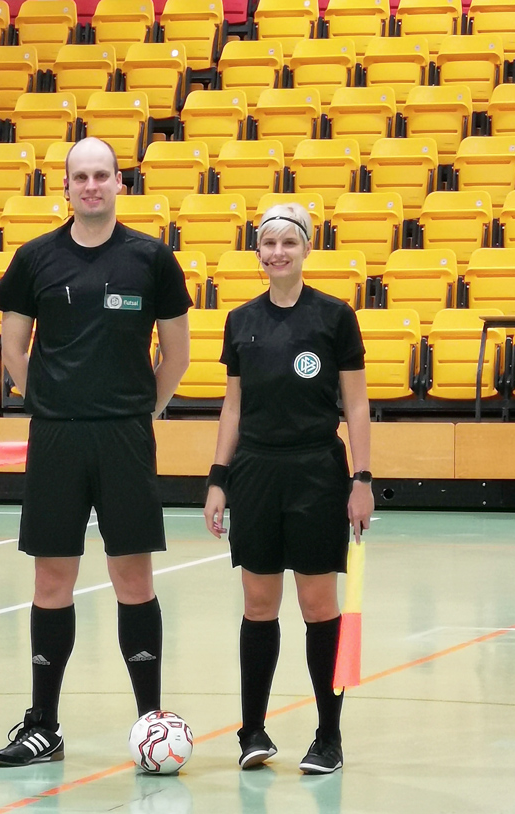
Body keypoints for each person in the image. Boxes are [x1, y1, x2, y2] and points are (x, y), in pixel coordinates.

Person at [0, 136, 193, 767]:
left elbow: (176, 356)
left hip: (126, 436)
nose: (92, 185)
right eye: (81, 176)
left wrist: (138, 412)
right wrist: (52, 401)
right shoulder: (34, 259)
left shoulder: (152, 259)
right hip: (56, 437)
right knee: (53, 579)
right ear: (67, 186)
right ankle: (43, 724)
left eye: (103, 174)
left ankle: (149, 723)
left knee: (133, 578)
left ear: (119, 184)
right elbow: (14, 351)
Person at [201, 202, 373, 775]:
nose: (278, 252)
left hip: (317, 473)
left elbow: (356, 404)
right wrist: (218, 480)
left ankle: (330, 736)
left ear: (306, 249)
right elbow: (233, 407)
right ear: (258, 253)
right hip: (254, 473)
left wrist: (362, 479)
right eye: (268, 244)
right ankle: (253, 731)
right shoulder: (240, 320)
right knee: (258, 604)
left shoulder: (334, 317)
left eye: (288, 243)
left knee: (319, 605)